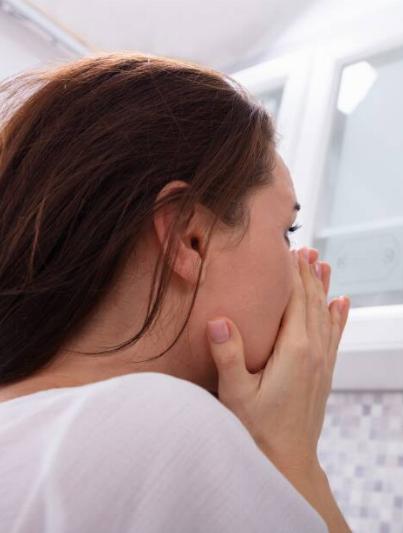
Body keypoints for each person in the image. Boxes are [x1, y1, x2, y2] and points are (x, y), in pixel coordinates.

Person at [0, 52, 352, 532]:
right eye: (286, 231)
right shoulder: (160, 426)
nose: (302, 269)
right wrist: (294, 458)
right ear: (191, 238)